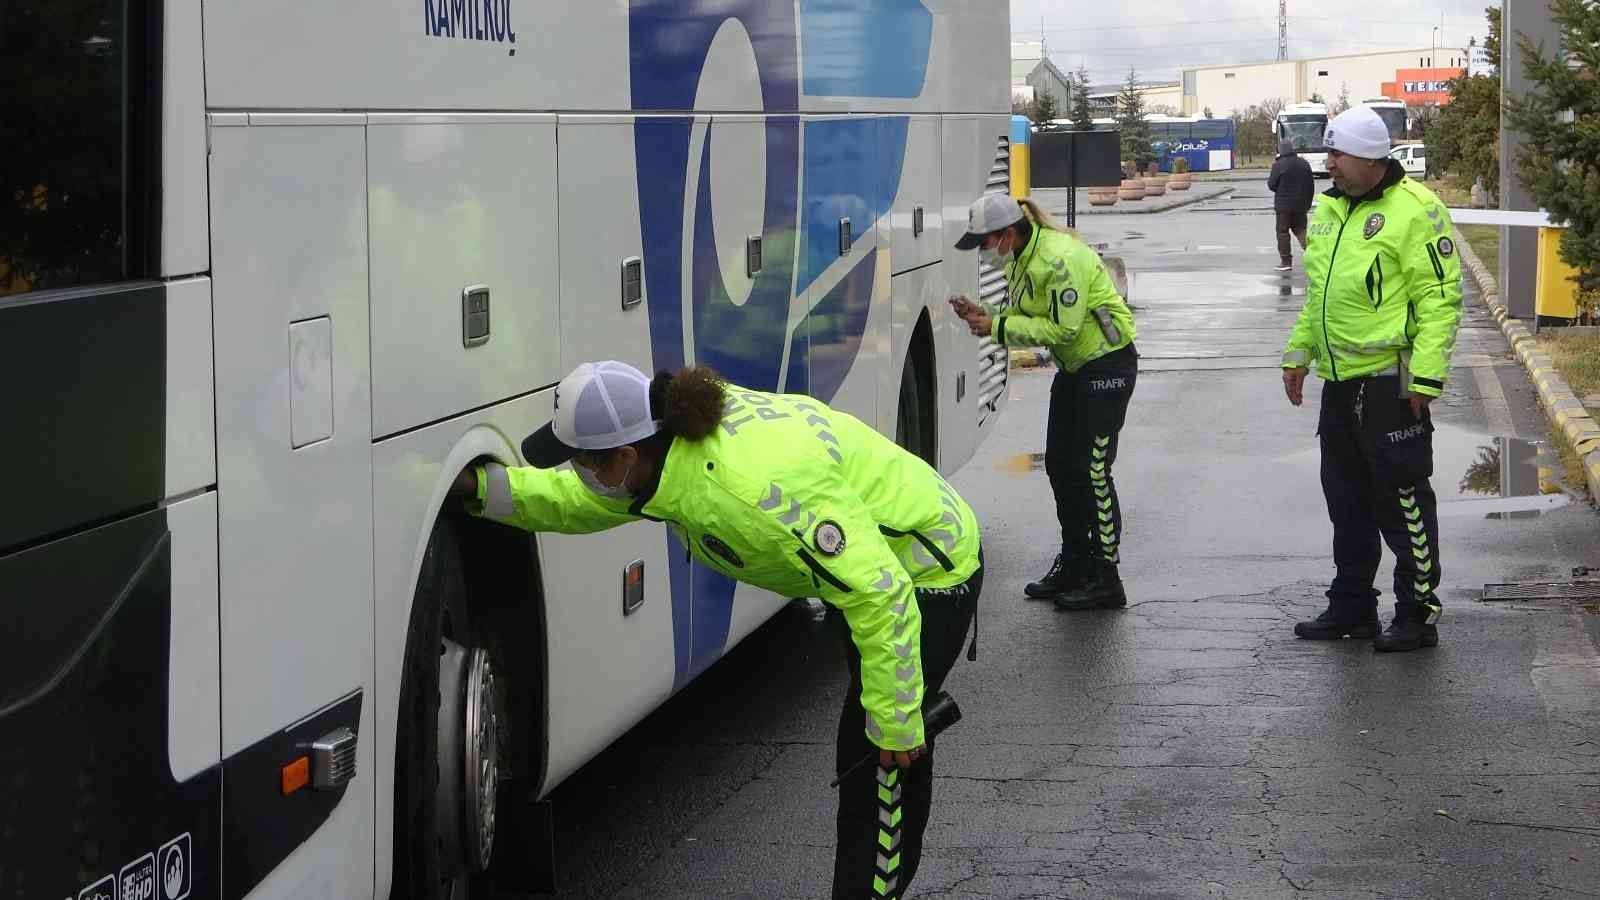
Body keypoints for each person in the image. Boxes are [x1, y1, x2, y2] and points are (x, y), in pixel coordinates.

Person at [448, 360, 983, 899]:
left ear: (627, 457)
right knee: (880, 740)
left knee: (877, 761)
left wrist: (896, 725)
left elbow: (881, 593)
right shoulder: (671, 451)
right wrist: (482, 489)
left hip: (927, 571)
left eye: (583, 463)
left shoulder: (748, 493)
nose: (579, 474)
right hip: (867, 574)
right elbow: (575, 500)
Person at [1280, 105, 1463, 652]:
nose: (1328, 163)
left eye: (1337, 154)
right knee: (1346, 501)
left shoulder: (1417, 211)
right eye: (1329, 153)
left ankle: (1416, 613)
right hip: (1341, 383)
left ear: (1368, 157)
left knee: (1402, 501)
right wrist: (1299, 353)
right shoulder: (1332, 210)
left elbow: (1440, 298)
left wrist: (1425, 378)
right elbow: (1320, 295)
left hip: (1390, 385)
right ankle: (1352, 606)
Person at [948, 194, 1138, 611]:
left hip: (1106, 365)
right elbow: (1023, 312)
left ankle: (1108, 577)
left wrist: (996, 326)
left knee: (1091, 471)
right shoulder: (1020, 257)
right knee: (1060, 466)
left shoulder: (1058, 260)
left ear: (1008, 233)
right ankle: (1074, 562)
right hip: (1076, 370)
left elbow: (1064, 330)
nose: (983, 251)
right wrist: (984, 314)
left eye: (984, 242)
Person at [1269, 138, 1315, 271]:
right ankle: (1315, 255)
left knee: (1282, 232)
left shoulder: (1278, 165)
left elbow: (1272, 185)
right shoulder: (1304, 163)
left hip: (1283, 207)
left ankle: (1286, 262)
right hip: (1302, 204)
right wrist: (1308, 202)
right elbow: (1310, 185)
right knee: (1301, 230)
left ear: (1280, 150)